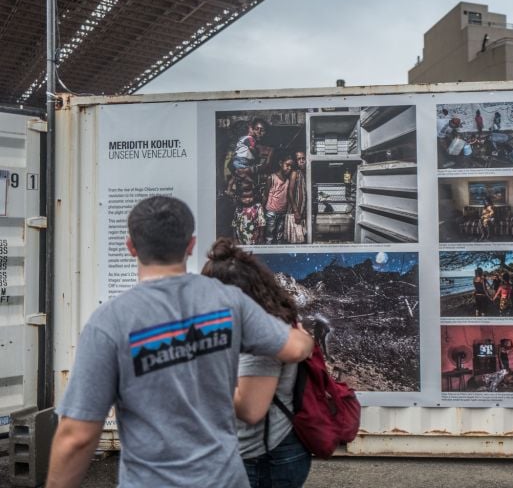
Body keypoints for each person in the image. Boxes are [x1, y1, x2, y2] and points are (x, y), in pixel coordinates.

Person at [46, 196, 314, 488]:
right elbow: (297, 348)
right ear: (190, 245)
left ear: (131, 247)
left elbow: (77, 436)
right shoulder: (228, 301)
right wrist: (302, 334)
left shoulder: (109, 323)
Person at [202, 238, 312, 488]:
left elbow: (251, 410)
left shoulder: (260, 339)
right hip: (256, 452)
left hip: (262, 459)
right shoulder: (251, 324)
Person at [263, 154, 293, 245]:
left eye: (291, 166)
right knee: (269, 235)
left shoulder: (288, 180)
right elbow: (265, 195)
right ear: (280, 163)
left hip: (283, 212)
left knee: (280, 235)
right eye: (287, 165)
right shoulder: (271, 178)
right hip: (271, 212)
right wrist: (261, 209)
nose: (289, 168)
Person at [285, 151, 307, 244]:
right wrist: (296, 212)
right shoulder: (295, 173)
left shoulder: (306, 173)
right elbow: (289, 192)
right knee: (296, 242)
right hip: (295, 214)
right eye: (299, 159)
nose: (302, 161)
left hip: (303, 214)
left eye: (303, 158)